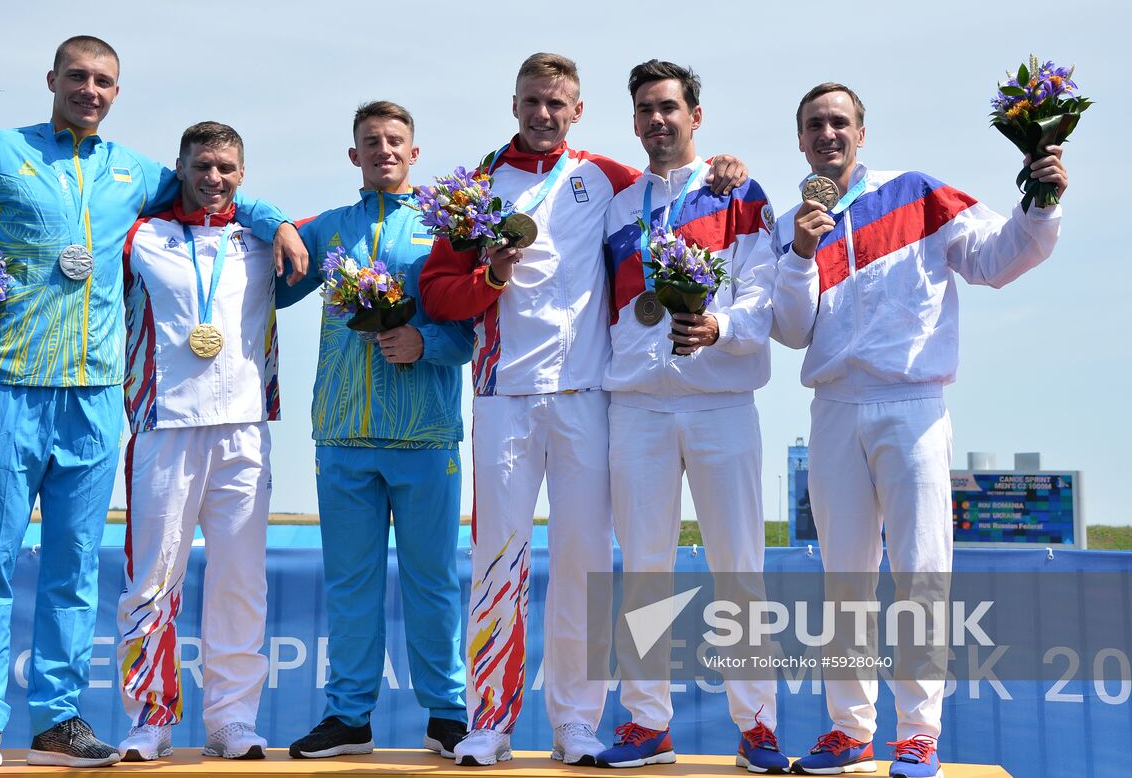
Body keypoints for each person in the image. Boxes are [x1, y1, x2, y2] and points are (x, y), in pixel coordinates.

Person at [0, 36, 305, 774]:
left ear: (116, 91)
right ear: (52, 79)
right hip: (5, 382)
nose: (91, 89)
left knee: (75, 567)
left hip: (98, 394)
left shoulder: (133, 172)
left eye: (104, 80)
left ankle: (57, 718)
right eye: (78, 76)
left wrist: (278, 220)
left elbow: (214, 186)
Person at [419, 53, 746, 767]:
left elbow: (676, 185)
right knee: (497, 562)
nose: (544, 114)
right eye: (532, 101)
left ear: (578, 111)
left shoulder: (605, 178)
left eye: (557, 104)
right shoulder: (476, 188)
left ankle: (576, 721)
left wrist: (724, 168)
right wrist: (490, 274)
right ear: (514, 105)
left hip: (591, 398)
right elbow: (439, 293)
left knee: (584, 566)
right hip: (504, 396)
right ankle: (492, 723)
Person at [771, 83, 1067, 778]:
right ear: (800, 139)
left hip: (913, 405)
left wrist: (1041, 201)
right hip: (835, 408)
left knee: (921, 576)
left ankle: (918, 734)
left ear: (862, 132)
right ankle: (849, 731)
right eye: (815, 125)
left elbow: (999, 259)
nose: (828, 134)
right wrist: (797, 256)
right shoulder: (796, 220)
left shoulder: (919, 194)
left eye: (839, 122)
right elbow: (788, 330)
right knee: (842, 581)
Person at [597, 60, 785, 772]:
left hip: (720, 402)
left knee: (740, 568)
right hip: (638, 405)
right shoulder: (619, 204)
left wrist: (721, 329)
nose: (657, 120)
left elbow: (764, 291)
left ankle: (759, 725)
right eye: (645, 109)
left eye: (669, 107)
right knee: (644, 571)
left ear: (696, 117)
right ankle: (648, 724)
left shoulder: (736, 190)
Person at [280, 102, 474, 761]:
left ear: (414, 153)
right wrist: (269, 223)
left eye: (395, 141)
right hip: (342, 434)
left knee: (433, 581)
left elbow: (475, 321)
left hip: (425, 436)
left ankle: (447, 714)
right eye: (371, 142)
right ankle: (349, 717)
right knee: (350, 583)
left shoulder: (447, 230)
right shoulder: (329, 229)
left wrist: (430, 344)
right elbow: (269, 281)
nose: (384, 150)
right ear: (354, 156)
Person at [112, 121, 282, 762]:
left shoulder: (264, 238)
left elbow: (303, 236)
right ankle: (150, 719)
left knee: (240, 580)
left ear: (243, 173)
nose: (214, 178)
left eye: (228, 168)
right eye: (203, 165)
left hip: (245, 428)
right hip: (164, 425)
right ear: (181, 167)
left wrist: (280, 221)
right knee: (153, 578)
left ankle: (232, 719)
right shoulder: (142, 236)